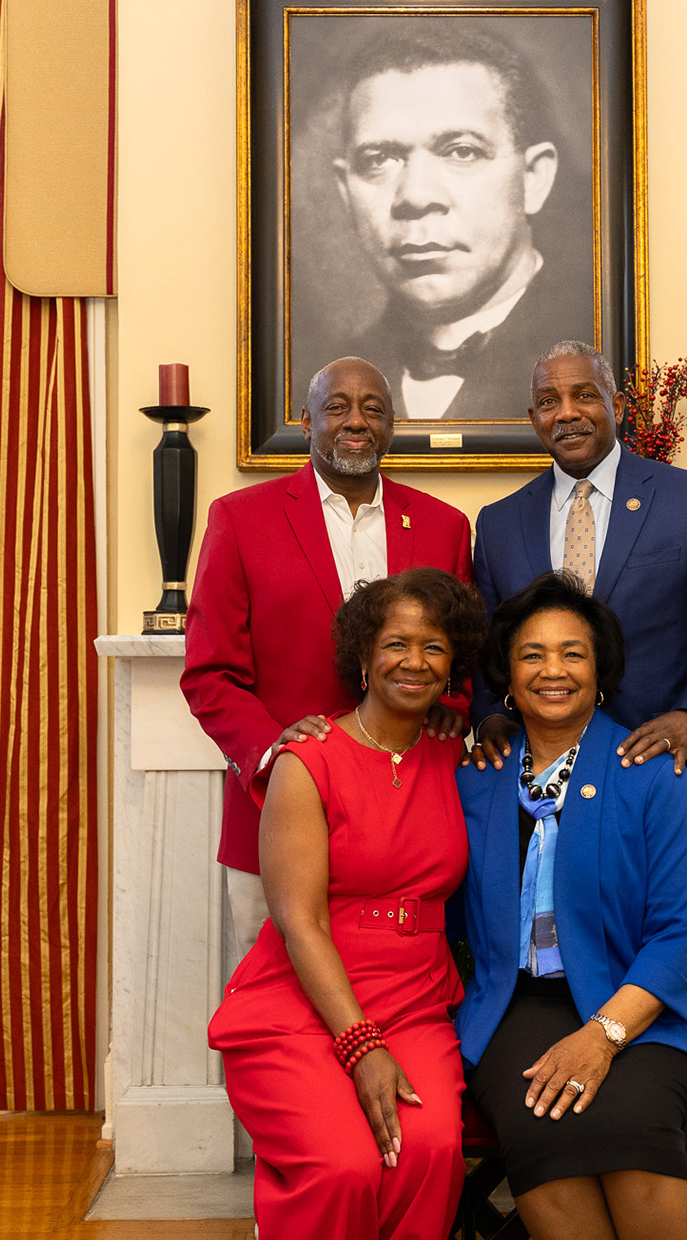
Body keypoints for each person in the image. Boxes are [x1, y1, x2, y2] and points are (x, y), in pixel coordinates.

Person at [468, 338, 687, 1238]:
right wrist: (490, 723)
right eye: (548, 399)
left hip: (660, 790)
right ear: (532, 418)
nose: (567, 411)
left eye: (583, 394)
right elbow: (496, 658)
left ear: (614, 402)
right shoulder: (502, 521)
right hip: (536, 797)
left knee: (672, 992)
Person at [209, 568, 489, 1239]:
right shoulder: (309, 761)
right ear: (362, 657)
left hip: (416, 1000)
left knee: (430, 1152)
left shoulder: (457, 754)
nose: (414, 661)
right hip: (301, 1000)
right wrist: (361, 1045)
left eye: (433, 647)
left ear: (452, 664)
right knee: (344, 1167)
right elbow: (298, 923)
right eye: (396, 643)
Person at [183, 357, 473, 962]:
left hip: (409, 823)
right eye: (337, 407)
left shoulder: (445, 527)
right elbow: (210, 673)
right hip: (278, 812)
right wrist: (273, 750)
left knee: (402, 1008)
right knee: (276, 1015)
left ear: (392, 424)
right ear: (307, 421)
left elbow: (461, 659)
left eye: (372, 407)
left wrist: (453, 707)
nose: (356, 420)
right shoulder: (240, 520)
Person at [456, 571, 687, 1240]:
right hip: (514, 1006)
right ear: (507, 678)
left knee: (634, 1130)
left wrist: (603, 1035)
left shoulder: (651, 771)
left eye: (573, 652)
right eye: (532, 654)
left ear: (599, 672)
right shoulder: (474, 780)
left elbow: (684, 928)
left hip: (638, 1006)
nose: (553, 670)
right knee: (545, 1118)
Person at [327, 24, 594, 421]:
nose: (415, 196)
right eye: (378, 160)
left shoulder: (600, 351)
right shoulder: (321, 377)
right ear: (346, 193)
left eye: (462, 151)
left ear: (533, 178)